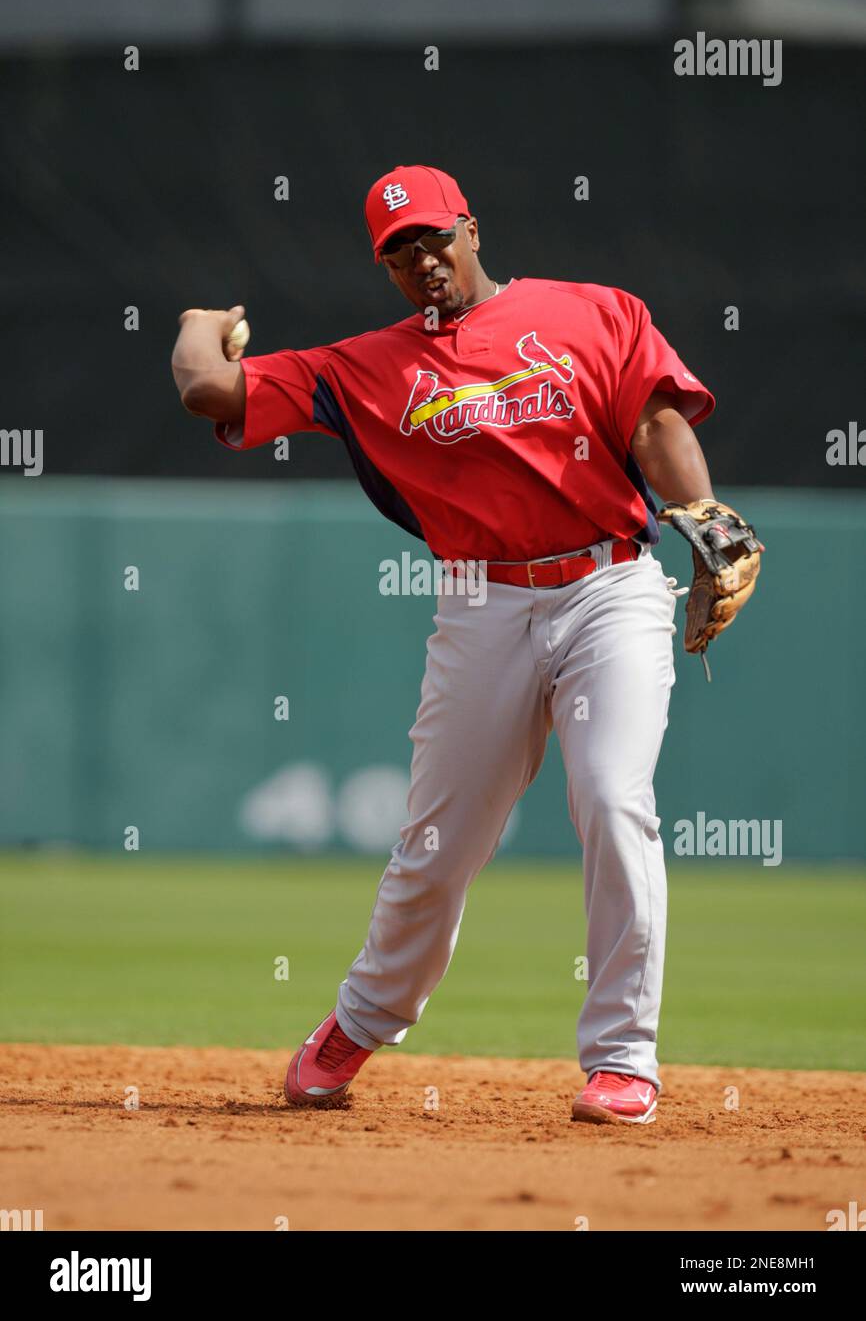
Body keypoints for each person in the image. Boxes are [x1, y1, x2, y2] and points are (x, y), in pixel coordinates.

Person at [172, 164, 739, 1126]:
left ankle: (623, 1057)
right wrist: (193, 323)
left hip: (609, 587)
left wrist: (707, 526)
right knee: (438, 846)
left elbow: (656, 421)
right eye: (399, 251)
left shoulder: (590, 312)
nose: (422, 259)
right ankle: (359, 1021)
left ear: (471, 228)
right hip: (481, 608)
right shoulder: (362, 368)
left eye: (434, 237)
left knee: (612, 796)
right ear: (384, 266)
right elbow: (210, 392)